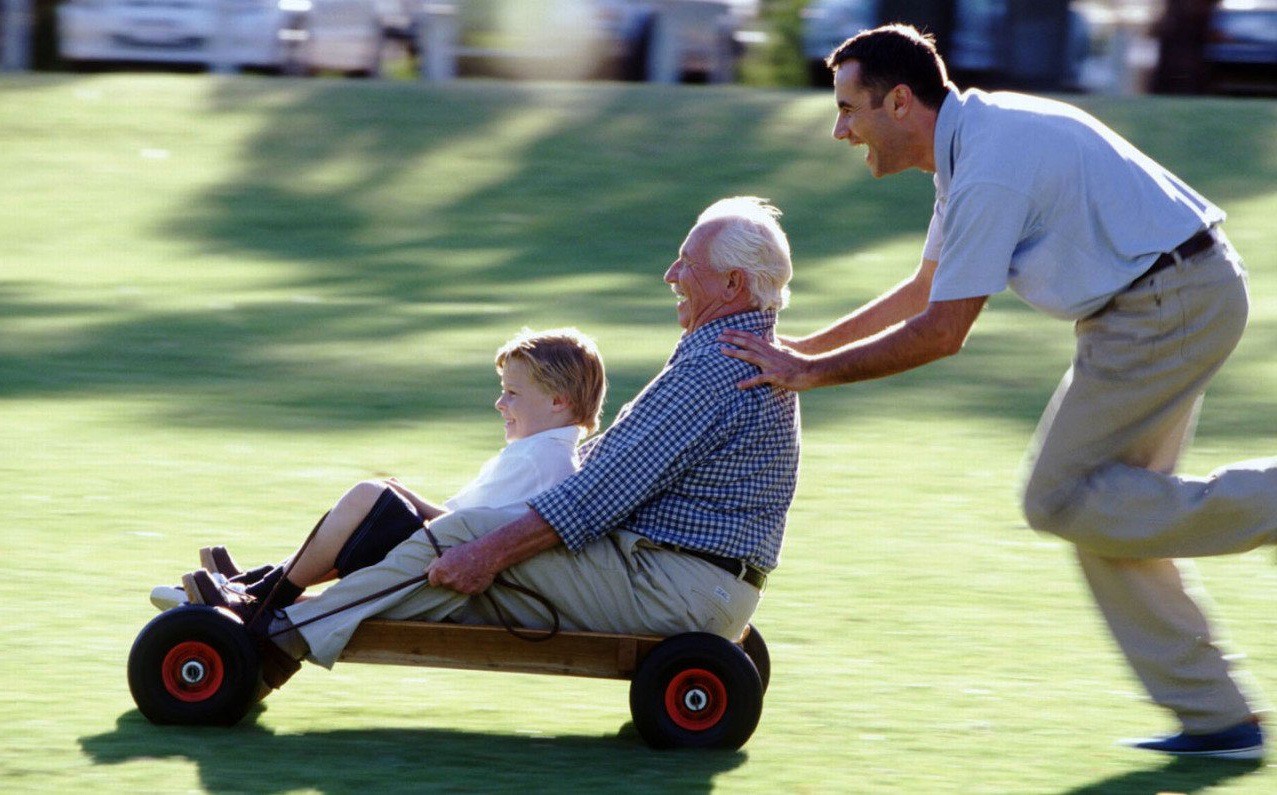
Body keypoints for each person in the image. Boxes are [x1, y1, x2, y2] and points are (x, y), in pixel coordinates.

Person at [719, 24, 1275, 760]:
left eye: (849, 109)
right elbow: (922, 290)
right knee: (1104, 507)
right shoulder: (968, 145)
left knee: (1056, 496)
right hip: (1160, 300)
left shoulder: (985, 167)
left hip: (1165, 302)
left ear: (899, 102)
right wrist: (797, 351)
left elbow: (942, 331)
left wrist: (811, 375)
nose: (838, 129)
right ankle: (1218, 719)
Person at [202, 196, 801, 691]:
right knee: (464, 528)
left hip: (675, 588)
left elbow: (594, 497)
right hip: (698, 583)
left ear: (732, 282)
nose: (671, 275)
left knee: (465, 536)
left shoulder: (714, 369)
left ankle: (274, 634)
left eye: (684, 263)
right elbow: (616, 468)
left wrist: (487, 552)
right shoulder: (746, 352)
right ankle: (280, 604)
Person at [168, 327, 607, 619]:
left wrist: (399, 499)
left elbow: (460, 528)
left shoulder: (537, 460)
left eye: (512, 394)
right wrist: (405, 496)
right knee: (378, 498)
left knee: (367, 498)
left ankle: (262, 596)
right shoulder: (546, 455)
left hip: (452, 575)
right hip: (453, 562)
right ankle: (263, 584)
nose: (500, 405)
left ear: (558, 402)